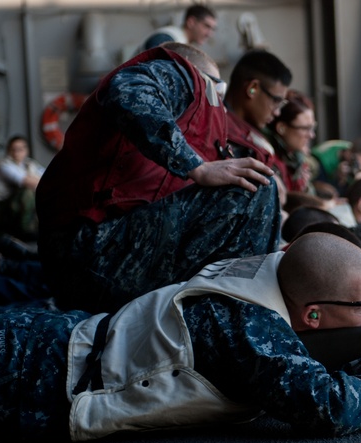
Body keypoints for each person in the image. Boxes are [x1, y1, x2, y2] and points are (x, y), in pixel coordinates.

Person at [0, 232, 361, 442]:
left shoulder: (273, 273)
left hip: (53, 340)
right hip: (25, 371)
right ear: (311, 315)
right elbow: (329, 406)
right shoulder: (251, 329)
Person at [35, 42, 280, 314]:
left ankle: (219, 316)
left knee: (250, 182)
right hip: (92, 251)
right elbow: (129, 89)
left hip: (84, 261)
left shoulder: (191, 127)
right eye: (216, 91)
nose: (217, 103)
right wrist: (196, 166)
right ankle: (233, 320)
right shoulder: (183, 75)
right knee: (254, 189)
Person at [222, 49, 294, 228]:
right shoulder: (221, 130)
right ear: (252, 88)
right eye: (276, 101)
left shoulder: (249, 131)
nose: (277, 112)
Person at [0, 136, 45, 241]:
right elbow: (27, 182)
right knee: (27, 192)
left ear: (26, 150)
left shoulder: (29, 164)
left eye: (20, 149)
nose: (17, 152)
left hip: (19, 210)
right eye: (13, 149)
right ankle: (24, 232)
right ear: (8, 150)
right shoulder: (3, 166)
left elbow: (49, 177)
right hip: (2, 211)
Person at [141, 4, 217, 51]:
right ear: (191, 22)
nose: (209, 34)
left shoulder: (180, 43)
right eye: (206, 26)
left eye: (212, 29)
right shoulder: (167, 37)